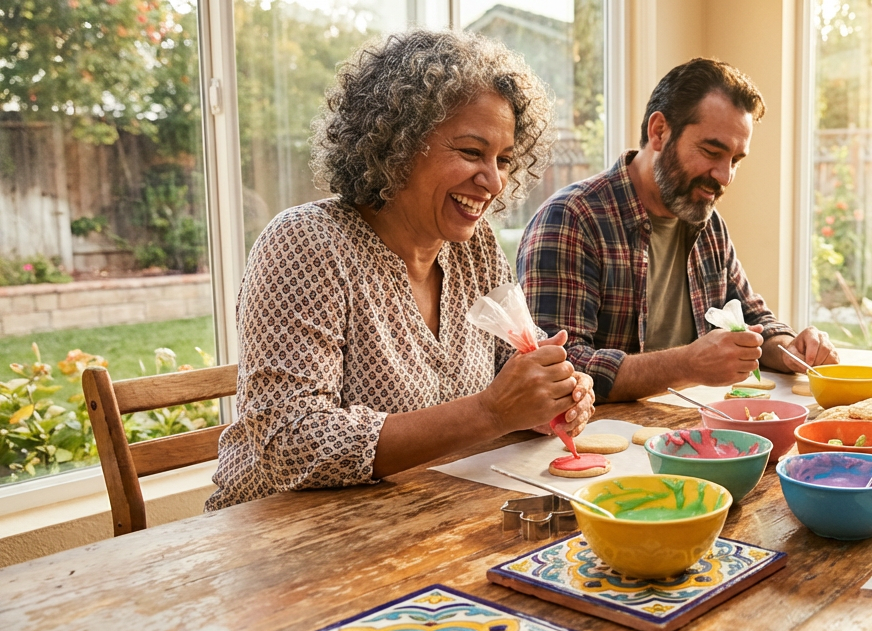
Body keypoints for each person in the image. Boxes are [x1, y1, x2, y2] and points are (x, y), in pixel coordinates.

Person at [208, 30, 593, 510]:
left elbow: (511, 370)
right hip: (278, 533)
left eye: (504, 160)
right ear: (396, 144)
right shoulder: (306, 243)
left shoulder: (475, 249)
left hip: (413, 516)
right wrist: (491, 412)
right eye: (471, 152)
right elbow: (290, 440)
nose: (494, 181)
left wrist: (550, 397)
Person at [516, 58, 838, 402]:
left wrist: (791, 348)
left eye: (735, 161)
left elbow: (751, 318)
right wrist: (687, 365)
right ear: (659, 132)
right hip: (596, 434)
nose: (725, 176)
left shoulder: (706, 222)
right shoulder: (571, 220)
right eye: (711, 151)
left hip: (693, 425)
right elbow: (556, 370)